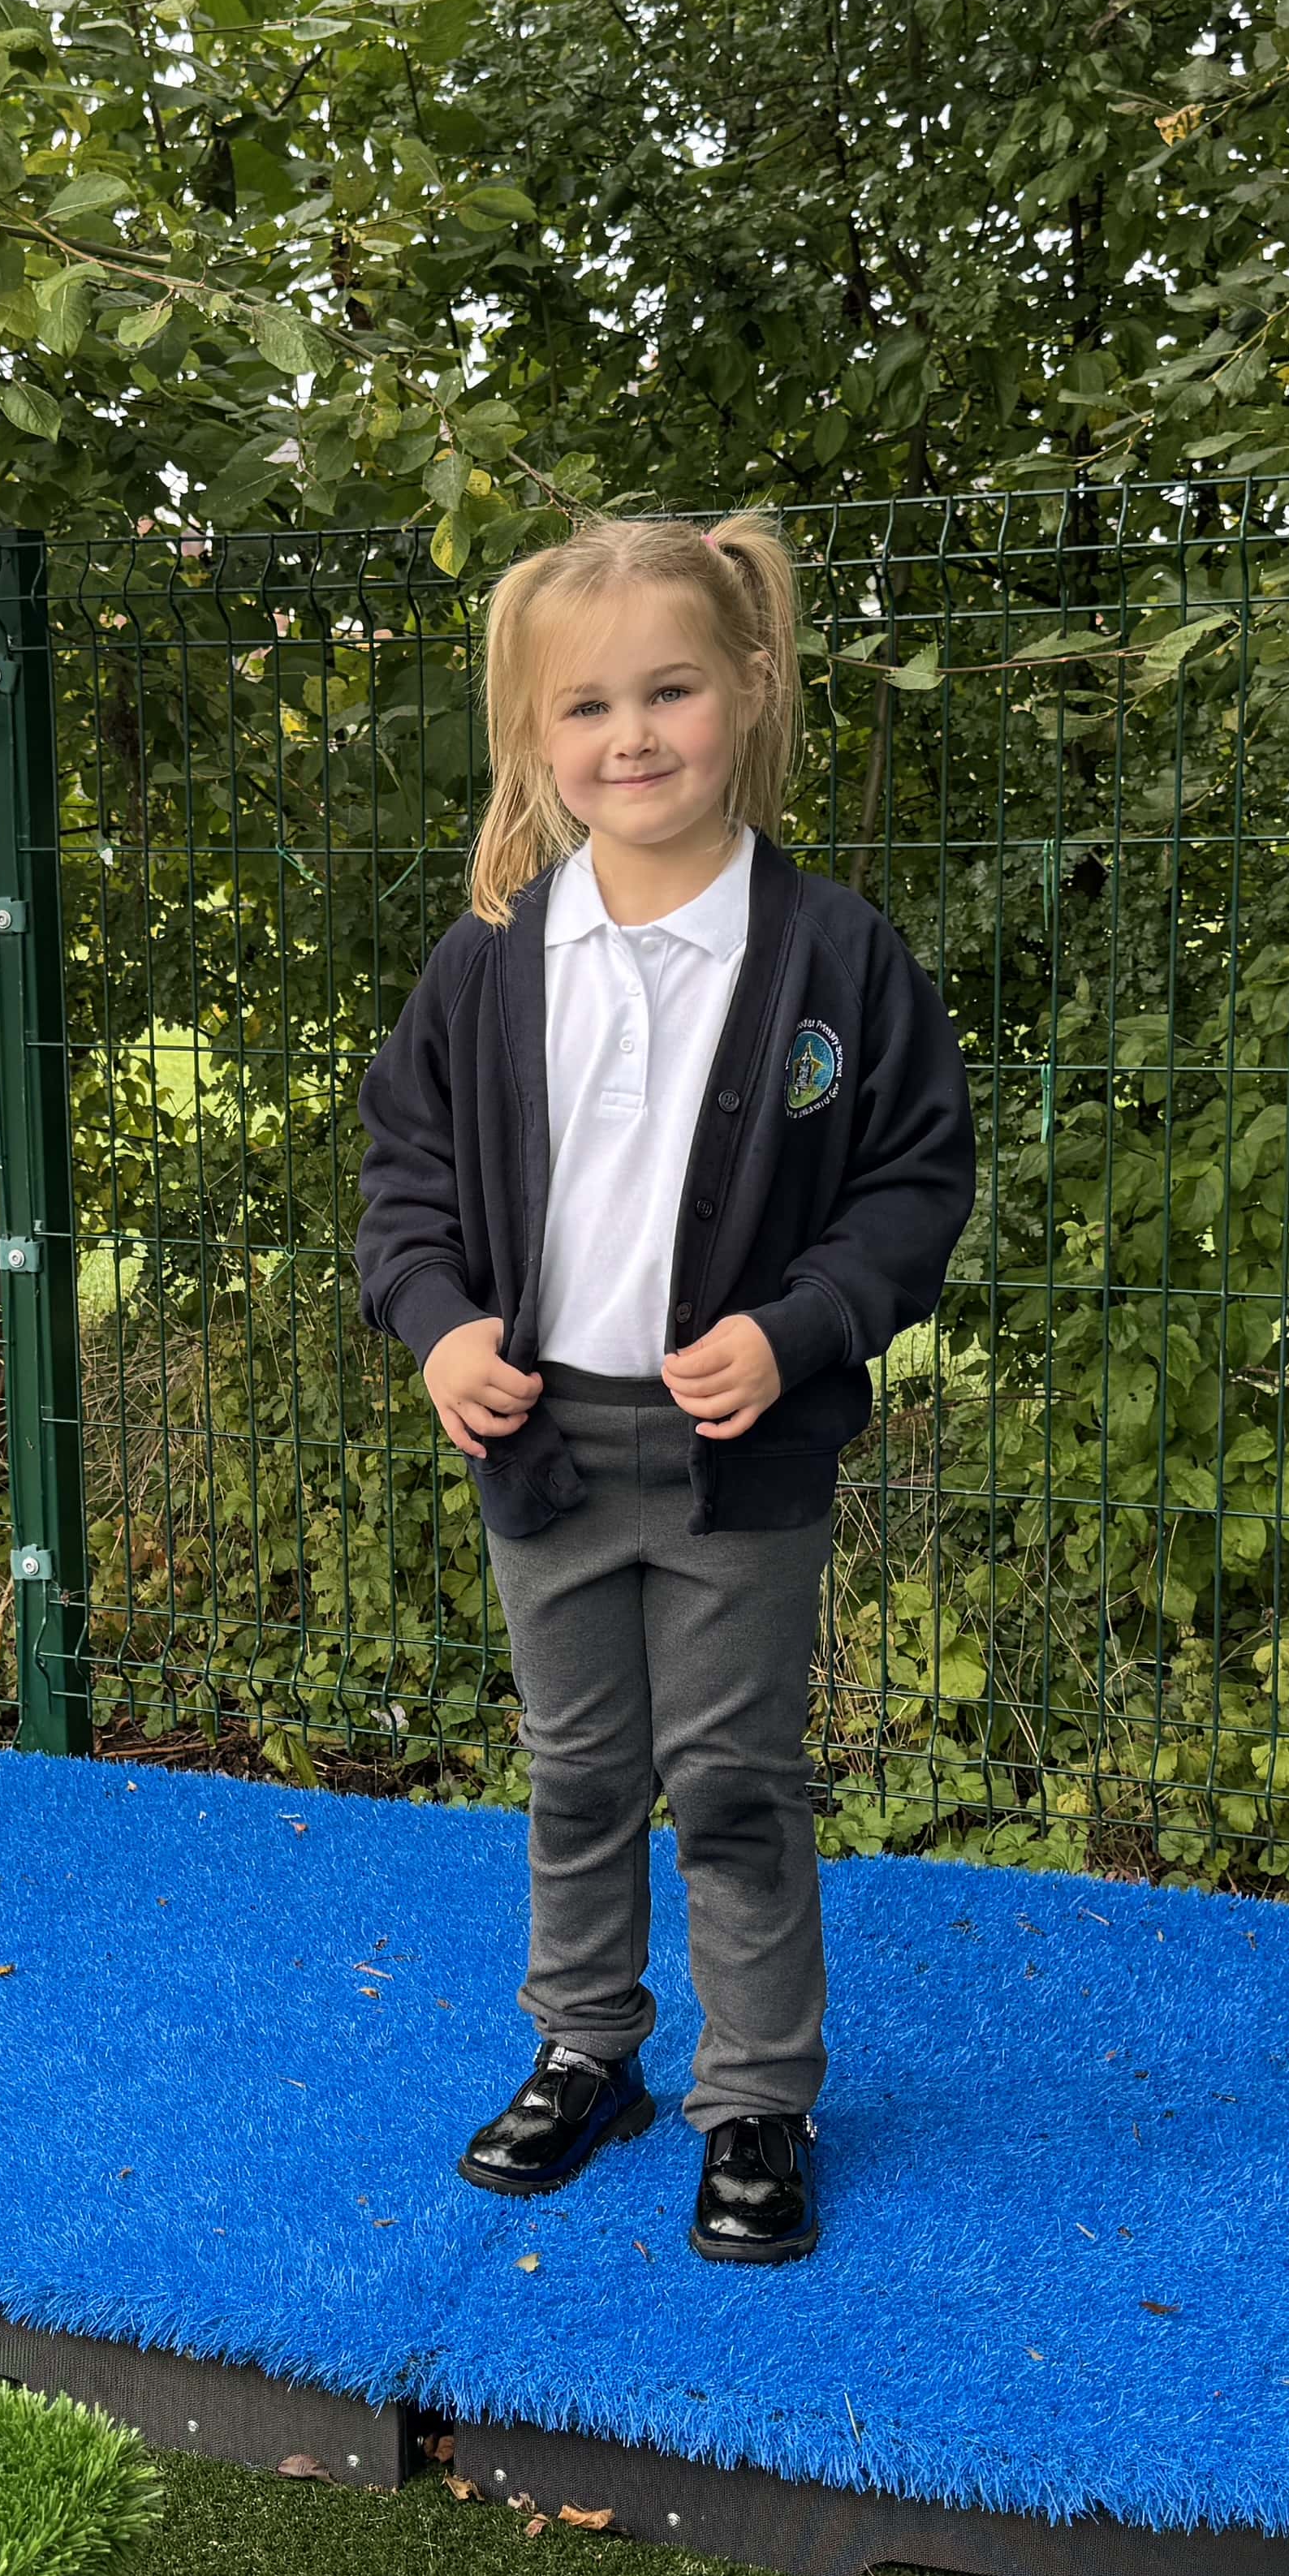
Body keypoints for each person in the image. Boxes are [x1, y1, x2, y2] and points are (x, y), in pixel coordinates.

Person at [354, 512, 974, 2263]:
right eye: (587, 707)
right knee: (574, 1769)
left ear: (752, 688)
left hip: (738, 1459)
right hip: (542, 1447)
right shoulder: (493, 958)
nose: (631, 737)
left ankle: (757, 2096)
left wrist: (803, 1325)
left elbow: (915, 1184)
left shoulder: (834, 958)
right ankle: (588, 2050)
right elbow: (405, 1179)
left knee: (734, 1782)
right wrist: (441, 1328)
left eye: (671, 692)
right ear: (532, 736)